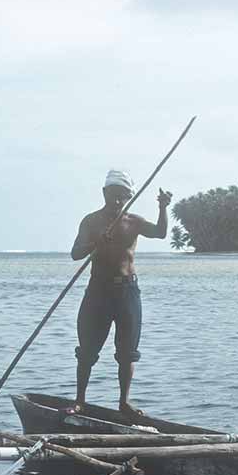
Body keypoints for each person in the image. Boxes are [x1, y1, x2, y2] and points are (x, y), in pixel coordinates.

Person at [68, 169, 171, 417]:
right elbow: (75, 253)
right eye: (112, 195)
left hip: (127, 292)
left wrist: (163, 207)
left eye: (122, 197)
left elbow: (160, 232)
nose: (116, 201)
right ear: (104, 193)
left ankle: (124, 403)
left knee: (127, 352)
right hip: (98, 291)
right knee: (87, 349)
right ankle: (80, 400)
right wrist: (96, 243)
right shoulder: (91, 221)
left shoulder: (132, 222)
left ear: (128, 197)